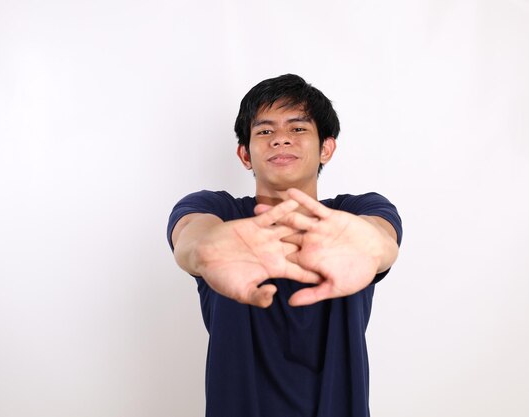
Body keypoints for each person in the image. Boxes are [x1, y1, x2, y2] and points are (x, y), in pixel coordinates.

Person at [167, 74, 402, 417]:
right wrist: (203, 249)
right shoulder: (217, 211)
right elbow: (191, 236)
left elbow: (381, 240)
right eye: (264, 131)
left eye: (297, 128)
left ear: (326, 147)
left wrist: (373, 244)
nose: (280, 139)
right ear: (244, 154)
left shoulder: (358, 213)